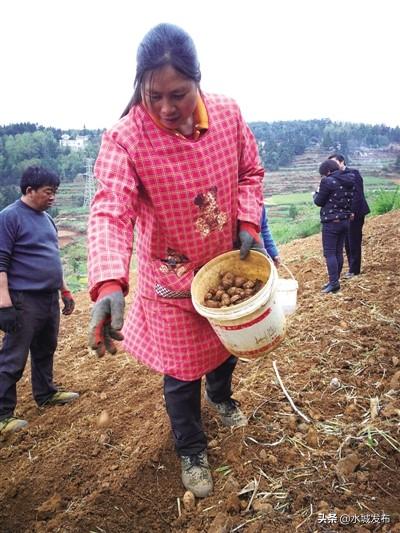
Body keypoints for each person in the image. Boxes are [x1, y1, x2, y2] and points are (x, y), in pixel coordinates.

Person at [87, 23, 266, 498]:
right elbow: (110, 208)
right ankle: (190, 446)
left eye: (179, 94)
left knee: (229, 345)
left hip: (226, 266)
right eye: (154, 95)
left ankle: (221, 395)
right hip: (170, 279)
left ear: (198, 81)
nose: (167, 108)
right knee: (182, 370)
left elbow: (250, 171)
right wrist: (108, 280)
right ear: (140, 88)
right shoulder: (126, 138)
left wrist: (247, 222)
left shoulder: (227, 114)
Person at [0, 167, 79, 436]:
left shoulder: (46, 219)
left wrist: (65, 291)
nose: (53, 197)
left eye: (55, 192)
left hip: (47, 298)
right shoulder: (9, 218)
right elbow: (0, 263)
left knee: (46, 348)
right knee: (13, 358)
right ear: (29, 190)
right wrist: (4, 305)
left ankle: (45, 393)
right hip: (24, 299)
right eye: (48, 192)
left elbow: (52, 259)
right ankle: (2, 415)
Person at [313, 160, 354, 293]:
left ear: (328, 172)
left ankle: (334, 283)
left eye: (323, 174)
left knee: (330, 253)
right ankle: (335, 280)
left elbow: (319, 202)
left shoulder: (327, 181)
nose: (323, 177)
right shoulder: (349, 179)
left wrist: (315, 194)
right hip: (345, 221)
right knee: (338, 252)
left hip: (331, 222)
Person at [328, 153, 370, 278]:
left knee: (354, 240)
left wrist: (352, 212)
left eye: (335, 163)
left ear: (342, 162)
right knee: (347, 241)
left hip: (355, 213)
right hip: (344, 214)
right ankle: (351, 267)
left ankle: (354, 269)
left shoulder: (353, 173)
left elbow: (357, 195)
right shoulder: (335, 176)